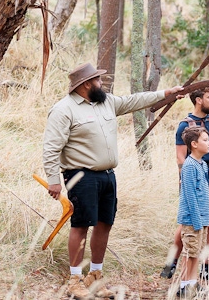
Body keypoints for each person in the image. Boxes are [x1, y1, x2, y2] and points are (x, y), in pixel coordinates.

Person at [42, 63, 183, 299]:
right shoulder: (63, 110)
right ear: (86, 84)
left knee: (104, 223)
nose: (102, 83)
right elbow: (51, 148)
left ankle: (95, 275)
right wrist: (53, 180)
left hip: (107, 175)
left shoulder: (105, 102)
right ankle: (75, 279)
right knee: (80, 224)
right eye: (98, 80)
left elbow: (133, 101)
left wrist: (165, 94)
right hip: (80, 175)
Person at [160, 87, 209, 280]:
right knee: (188, 224)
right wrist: (189, 181)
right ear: (199, 100)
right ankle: (172, 262)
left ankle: (205, 266)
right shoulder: (185, 125)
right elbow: (180, 157)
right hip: (195, 181)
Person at [176, 126, 209, 298]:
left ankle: (192, 283)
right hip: (192, 219)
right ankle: (183, 286)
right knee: (189, 253)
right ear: (194, 144)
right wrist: (197, 221)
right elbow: (189, 195)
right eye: (205, 140)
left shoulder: (203, 164)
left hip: (203, 218)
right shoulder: (189, 166)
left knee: (197, 252)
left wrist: (205, 220)